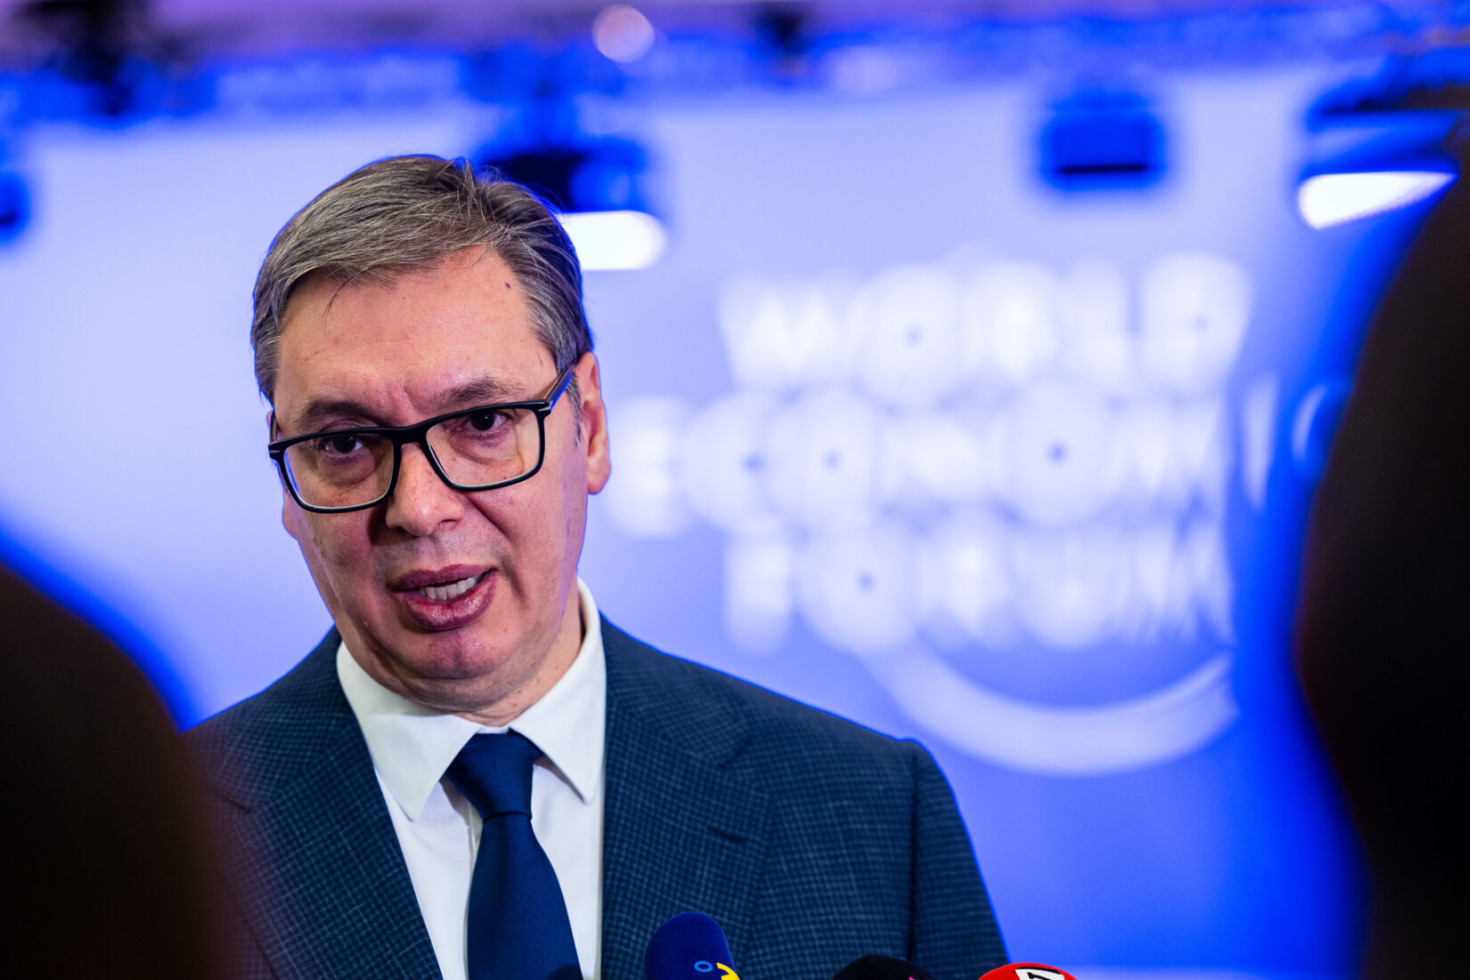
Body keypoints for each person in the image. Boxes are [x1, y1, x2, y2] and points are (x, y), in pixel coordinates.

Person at [188, 155, 1006, 980]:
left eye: (482, 422)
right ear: (285, 474)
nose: (420, 508)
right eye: (344, 442)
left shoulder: (873, 810)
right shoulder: (152, 837)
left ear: (593, 425)